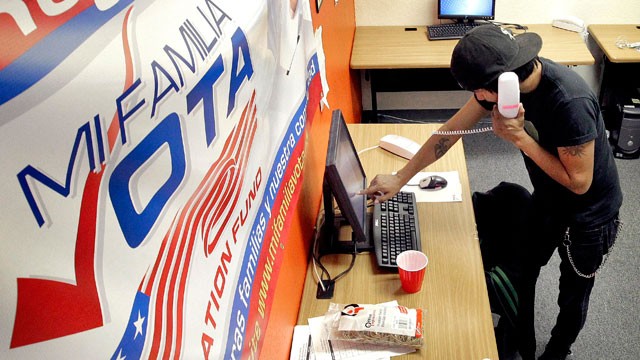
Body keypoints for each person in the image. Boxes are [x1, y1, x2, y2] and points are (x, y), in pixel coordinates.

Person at [360, 25, 623, 360]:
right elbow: (449, 133)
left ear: (494, 88)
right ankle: (517, 333)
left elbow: (579, 182)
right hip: (547, 199)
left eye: (477, 91)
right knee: (524, 267)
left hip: (590, 216)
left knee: (573, 295)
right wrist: (401, 177)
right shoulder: (508, 83)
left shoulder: (569, 102)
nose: (476, 98)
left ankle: (558, 350)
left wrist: (521, 139)